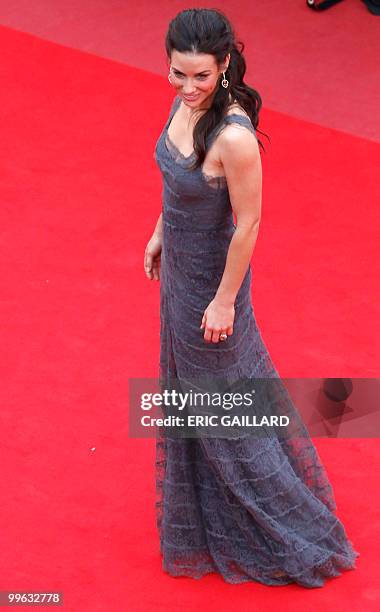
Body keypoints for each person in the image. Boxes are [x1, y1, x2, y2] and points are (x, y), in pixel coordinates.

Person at [144, 8, 359, 588]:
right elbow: (175, 180)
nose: (187, 88)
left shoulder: (234, 137)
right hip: (180, 276)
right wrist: (162, 230)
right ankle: (217, 509)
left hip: (212, 290)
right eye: (177, 74)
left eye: (201, 77)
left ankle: (290, 530)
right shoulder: (184, 102)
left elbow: (249, 224)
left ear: (225, 67)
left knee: (226, 410)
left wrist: (223, 302)